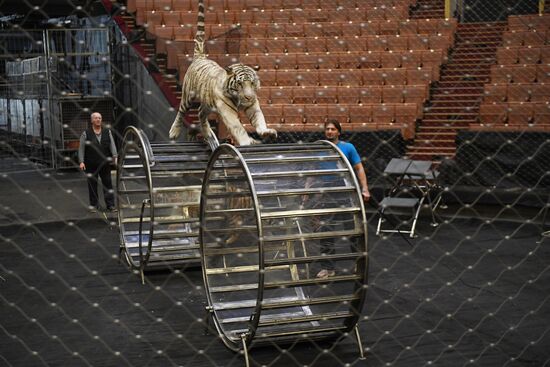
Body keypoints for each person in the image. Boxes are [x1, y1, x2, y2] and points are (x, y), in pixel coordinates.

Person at [315, 120, 371, 279]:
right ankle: (328, 268)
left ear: (339, 132)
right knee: (325, 232)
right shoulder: (320, 149)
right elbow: (314, 172)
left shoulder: (348, 147)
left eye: (333, 129)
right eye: (327, 129)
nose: (330, 131)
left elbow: (359, 168)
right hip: (327, 193)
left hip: (346, 193)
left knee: (353, 231)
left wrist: (364, 188)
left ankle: (358, 265)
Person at [78, 112, 118, 212]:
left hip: (104, 163)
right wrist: (81, 161)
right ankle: (94, 205)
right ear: (92, 120)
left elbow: (112, 145)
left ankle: (110, 205)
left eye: (100, 118)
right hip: (91, 163)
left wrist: (115, 156)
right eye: (96, 118)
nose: (98, 120)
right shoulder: (85, 133)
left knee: (108, 184)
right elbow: (81, 149)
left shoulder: (107, 132)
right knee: (92, 184)